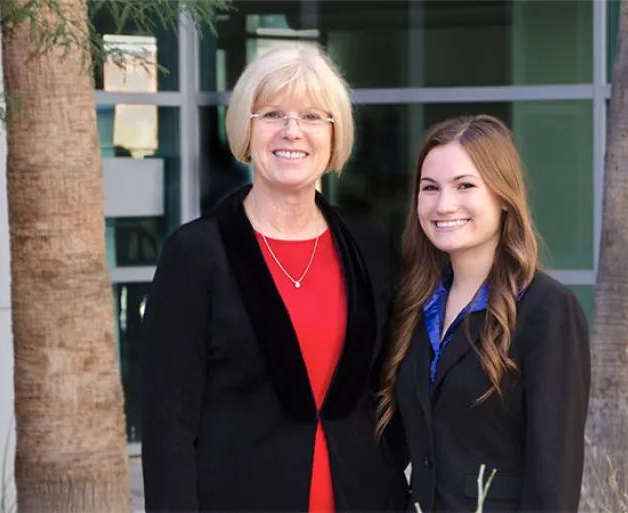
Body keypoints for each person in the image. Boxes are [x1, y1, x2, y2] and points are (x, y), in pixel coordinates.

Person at [140, 45, 409, 512]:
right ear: (246, 129)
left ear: (333, 134)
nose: (292, 131)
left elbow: (391, 384)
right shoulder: (195, 254)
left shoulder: (369, 244)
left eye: (311, 116)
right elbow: (169, 423)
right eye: (272, 115)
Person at [375, 115, 592, 512]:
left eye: (465, 186)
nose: (444, 204)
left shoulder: (547, 310)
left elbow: (553, 480)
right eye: (430, 188)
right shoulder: (415, 306)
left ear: (503, 196)